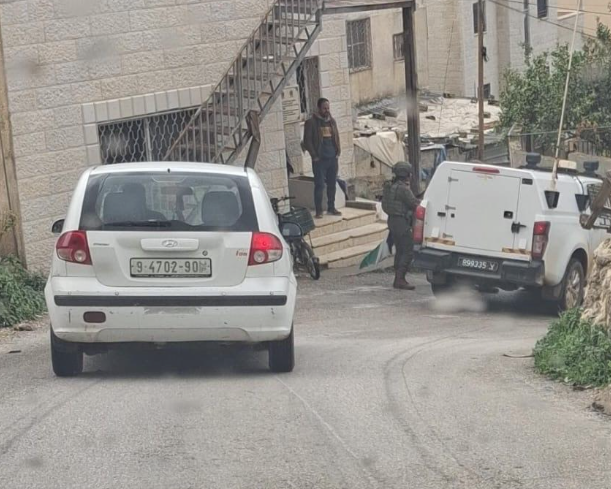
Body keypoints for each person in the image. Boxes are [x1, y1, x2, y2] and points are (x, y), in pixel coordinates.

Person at [382, 162, 420, 291]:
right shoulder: (403, 189)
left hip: (392, 221)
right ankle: (400, 279)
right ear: (406, 174)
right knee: (408, 250)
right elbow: (414, 204)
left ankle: (398, 278)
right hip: (401, 222)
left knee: (399, 250)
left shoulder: (389, 186)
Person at [303, 98, 342, 218]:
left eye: (328, 108)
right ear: (319, 108)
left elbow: (336, 137)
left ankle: (331, 208)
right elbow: (307, 141)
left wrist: (338, 151)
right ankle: (319, 211)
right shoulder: (311, 123)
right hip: (319, 160)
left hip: (332, 159)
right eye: (324, 108)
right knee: (319, 185)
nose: (327, 110)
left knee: (332, 184)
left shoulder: (332, 121)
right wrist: (314, 156)